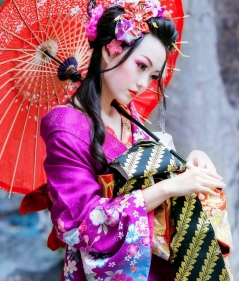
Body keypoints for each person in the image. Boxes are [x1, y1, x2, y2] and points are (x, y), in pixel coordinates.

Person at [38, 0, 231, 280]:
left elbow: (151, 175)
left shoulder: (125, 112)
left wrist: (187, 165)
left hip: (154, 262)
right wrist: (168, 189)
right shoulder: (65, 127)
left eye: (153, 75)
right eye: (141, 66)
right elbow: (78, 224)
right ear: (109, 49)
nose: (143, 83)